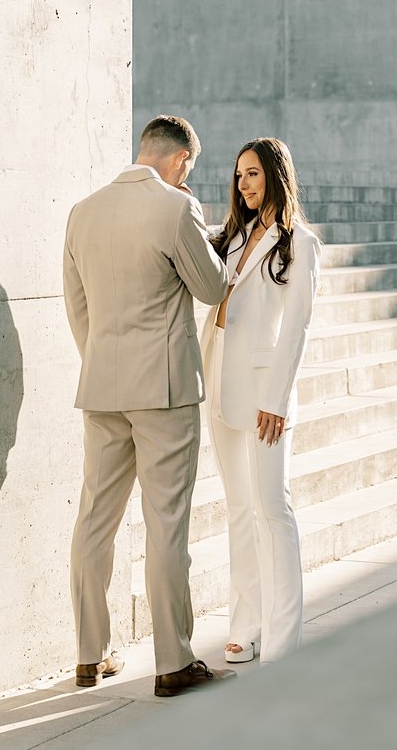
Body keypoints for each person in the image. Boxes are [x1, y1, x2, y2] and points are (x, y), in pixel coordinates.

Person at [63, 115, 233, 698]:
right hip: (162, 391)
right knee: (166, 525)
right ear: (182, 160)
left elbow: (77, 306)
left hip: (103, 385)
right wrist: (199, 220)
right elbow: (212, 289)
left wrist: (103, 362)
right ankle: (173, 662)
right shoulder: (176, 209)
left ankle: (89, 657)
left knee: (94, 521)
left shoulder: (82, 212)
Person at [201, 137, 320, 665]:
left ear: (276, 175)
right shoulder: (231, 237)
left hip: (265, 393)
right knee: (240, 509)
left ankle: (283, 639)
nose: (244, 183)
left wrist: (277, 398)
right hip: (221, 386)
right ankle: (245, 625)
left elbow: (296, 327)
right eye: (239, 175)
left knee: (273, 509)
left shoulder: (300, 243)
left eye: (253, 174)